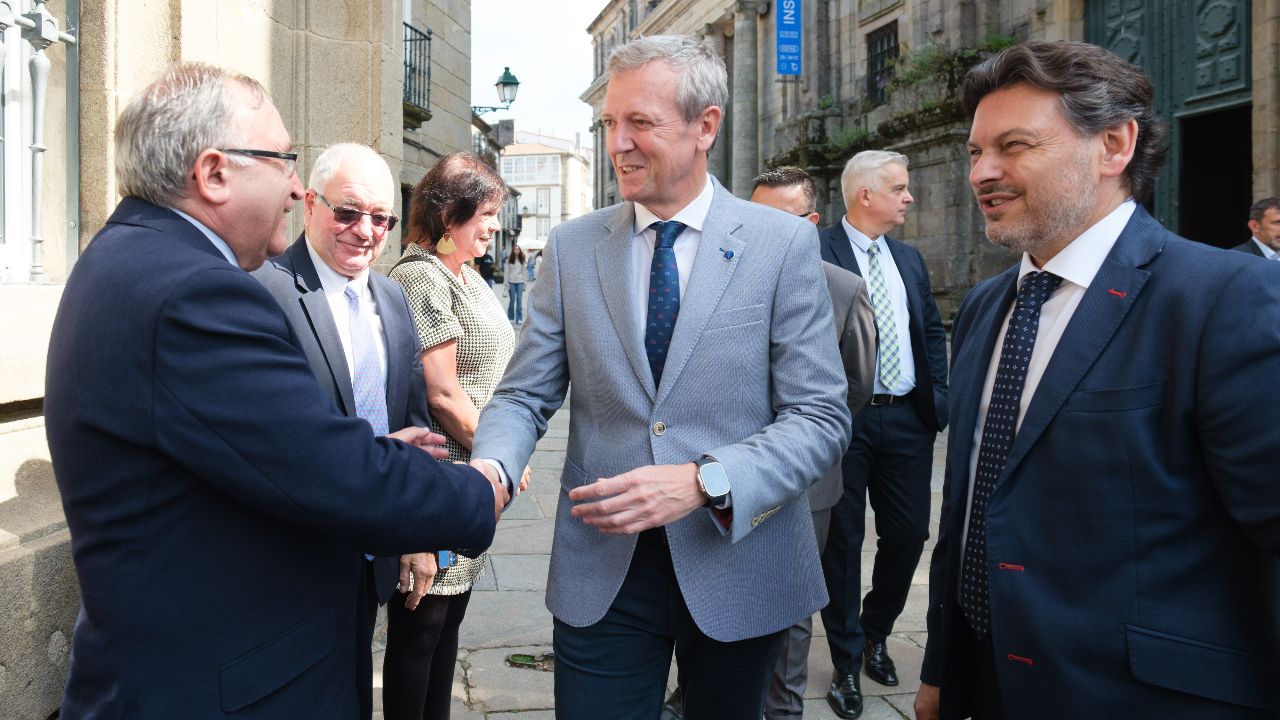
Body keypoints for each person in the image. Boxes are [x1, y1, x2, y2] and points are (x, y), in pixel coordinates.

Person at [43, 63, 505, 718]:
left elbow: (263, 455)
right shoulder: (195, 292)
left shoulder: (137, 258)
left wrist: (359, 455)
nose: (294, 187)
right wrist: (480, 487)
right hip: (215, 690)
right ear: (213, 173)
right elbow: (327, 471)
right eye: (283, 161)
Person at [469, 35, 852, 720]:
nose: (618, 142)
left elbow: (820, 419)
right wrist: (490, 470)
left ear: (705, 126)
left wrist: (706, 480)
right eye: (610, 123)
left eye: (639, 122)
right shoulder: (573, 246)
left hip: (742, 556)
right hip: (604, 568)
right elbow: (525, 393)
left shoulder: (781, 245)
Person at [916, 41, 1280, 720]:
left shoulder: (1228, 299)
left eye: (1015, 145)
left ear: (1113, 145)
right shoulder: (985, 308)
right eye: (974, 152)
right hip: (986, 689)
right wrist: (942, 669)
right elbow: (969, 512)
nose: (982, 173)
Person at [251, 142, 445, 719]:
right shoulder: (264, 292)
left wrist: (416, 532)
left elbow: (414, 423)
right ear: (309, 204)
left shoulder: (392, 296)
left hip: (373, 559)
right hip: (293, 560)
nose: (366, 231)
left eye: (381, 218)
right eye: (348, 211)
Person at [383, 152, 527, 720]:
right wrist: (502, 454)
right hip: (440, 477)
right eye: (486, 214)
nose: (494, 225)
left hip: (470, 478)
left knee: (448, 623)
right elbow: (443, 393)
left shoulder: (463, 273)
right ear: (450, 215)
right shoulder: (420, 276)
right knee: (422, 627)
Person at [817, 150, 948, 719]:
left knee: (909, 534)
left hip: (908, 419)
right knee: (842, 542)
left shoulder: (909, 259)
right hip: (844, 419)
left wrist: (938, 400)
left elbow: (932, 330)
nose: (909, 197)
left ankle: (877, 630)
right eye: (899, 187)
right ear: (864, 194)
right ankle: (846, 661)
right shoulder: (815, 251)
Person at [753, 166, 878, 720]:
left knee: (792, 605)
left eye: (780, 220)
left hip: (807, 481)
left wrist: (802, 439)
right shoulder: (718, 280)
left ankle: (784, 712)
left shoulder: (843, 288)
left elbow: (855, 388)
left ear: (810, 223)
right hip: (719, 471)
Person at [505, 245, 528, 323]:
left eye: (518, 249)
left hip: (520, 282)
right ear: (513, 250)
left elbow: (524, 272)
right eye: (515, 249)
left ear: (520, 250)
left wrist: (525, 284)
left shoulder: (522, 259)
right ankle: (510, 317)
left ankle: (519, 318)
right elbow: (506, 272)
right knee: (512, 300)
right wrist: (506, 283)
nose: (517, 250)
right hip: (511, 282)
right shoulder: (509, 259)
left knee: (519, 301)